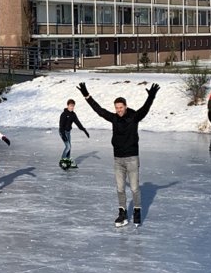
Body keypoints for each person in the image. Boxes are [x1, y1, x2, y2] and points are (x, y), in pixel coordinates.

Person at [77, 82, 160, 227]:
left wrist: (151, 97)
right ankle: (122, 214)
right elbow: (99, 110)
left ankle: (137, 211)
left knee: (134, 188)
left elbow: (145, 109)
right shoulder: (114, 118)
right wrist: (86, 95)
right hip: (118, 159)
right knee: (120, 188)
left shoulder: (134, 116)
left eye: (121, 107)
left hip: (132, 158)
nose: (118, 110)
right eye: (116, 108)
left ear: (126, 106)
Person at [58, 99, 90, 170]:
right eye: (70, 106)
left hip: (68, 132)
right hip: (62, 132)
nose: (72, 107)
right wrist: (63, 135)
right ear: (67, 106)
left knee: (69, 147)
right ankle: (62, 161)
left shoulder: (73, 115)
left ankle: (68, 161)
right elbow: (61, 125)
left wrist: (84, 130)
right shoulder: (64, 114)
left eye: (73, 106)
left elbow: (78, 123)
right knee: (68, 147)